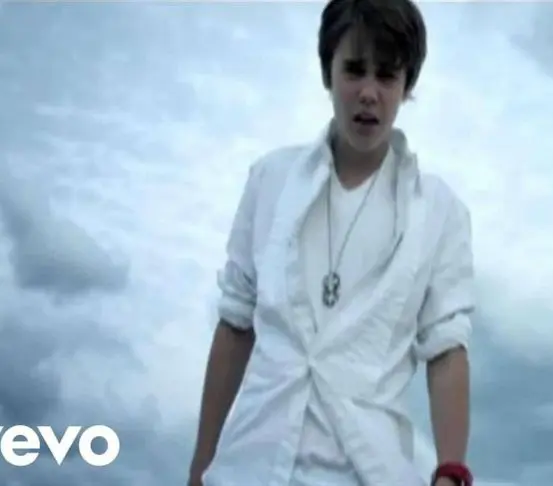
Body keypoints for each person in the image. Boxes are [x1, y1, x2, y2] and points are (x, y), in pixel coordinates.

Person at [188, 0, 475, 485]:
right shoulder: (270, 180)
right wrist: (200, 466)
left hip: (366, 470)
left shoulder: (440, 211)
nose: (369, 93)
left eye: (387, 75)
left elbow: (447, 348)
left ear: (407, 86)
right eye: (354, 70)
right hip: (249, 468)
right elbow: (236, 324)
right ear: (328, 72)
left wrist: (450, 473)